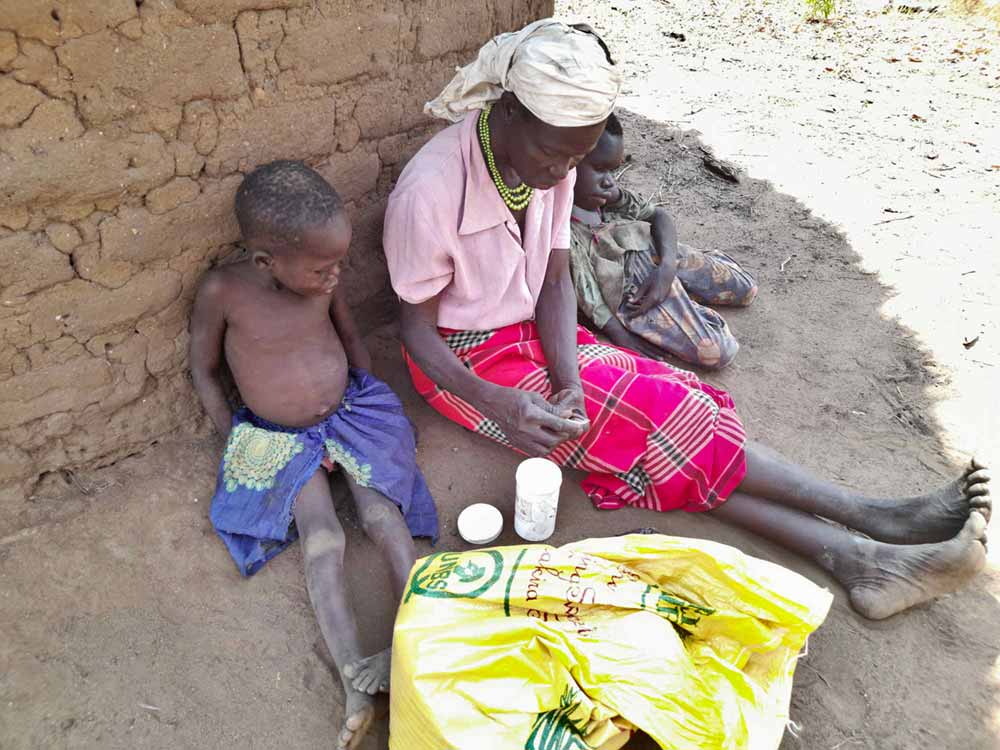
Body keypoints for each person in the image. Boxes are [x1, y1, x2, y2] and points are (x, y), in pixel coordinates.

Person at [383, 19, 991, 621]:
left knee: (666, 413)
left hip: (528, 330)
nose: (562, 174)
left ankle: (858, 555)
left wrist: (567, 375)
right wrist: (496, 401)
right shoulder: (430, 193)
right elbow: (417, 332)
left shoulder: (554, 162)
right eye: (553, 153)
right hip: (461, 360)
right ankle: (868, 523)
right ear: (509, 111)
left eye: (575, 157)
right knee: (653, 426)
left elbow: (553, 279)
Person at [189, 160, 438, 750]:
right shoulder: (223, 291)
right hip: (275, 434)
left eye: (340, 263)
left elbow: (351, 338)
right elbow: (203, 369)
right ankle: (356, 678)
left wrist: (368, 402)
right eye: (323, 267)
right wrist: (236, 438)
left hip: (348, 413)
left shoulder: (321, 281)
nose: (336, 276)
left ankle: (422, 640)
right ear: (264, 263)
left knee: (383, 515)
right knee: (324, 538)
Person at [570, 113, 758, 369]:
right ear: (568, 161)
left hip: (657, 256)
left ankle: (683, 293)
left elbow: (658, 215)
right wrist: (619, 335)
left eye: (612, 170)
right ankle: (682, 305)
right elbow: (586, 289)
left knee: (746, 288)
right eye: (600, 169)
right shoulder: (561, 224)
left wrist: (667, 268)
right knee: (717, 352)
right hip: (633, 292)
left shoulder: (607, 195)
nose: (609, 180)